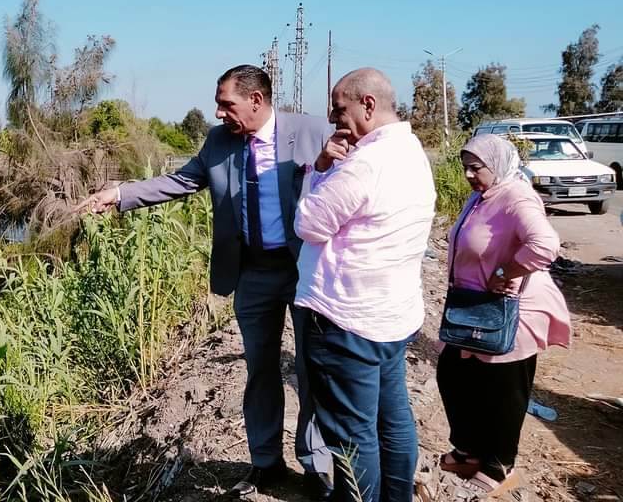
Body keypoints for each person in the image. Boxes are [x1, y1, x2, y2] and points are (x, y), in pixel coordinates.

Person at [78, 65, 334, 499]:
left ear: (256, 100)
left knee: (312, 369)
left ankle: (317, 466)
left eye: (226, 104)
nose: (218, 113)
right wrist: (119, 195)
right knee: (260, 370)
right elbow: (180, 181)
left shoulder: (312, 132)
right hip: (252, 271)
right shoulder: (220, 142)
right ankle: (266, 463)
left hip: (306, 269)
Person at [292, 68, 435, 502]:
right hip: (389, 319)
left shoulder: (364, 164)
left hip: (346, 322)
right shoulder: (410, 150)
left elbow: (309, 223)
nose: (334, 120)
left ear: (367, 105)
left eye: (339, 109)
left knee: (352, 435)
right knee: (392, 421)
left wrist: (319, 170)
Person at [436, 134, 571, 494]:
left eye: (476, 167)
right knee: (454, 375)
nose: (468, 174)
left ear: (497, 165)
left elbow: (546, 244)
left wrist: (507, 271)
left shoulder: (516, 197)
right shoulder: (482, 196)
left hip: (513, 311)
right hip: (476, 308)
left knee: (503, 391)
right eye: (465, 167)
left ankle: (499, 465)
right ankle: (469, 451)